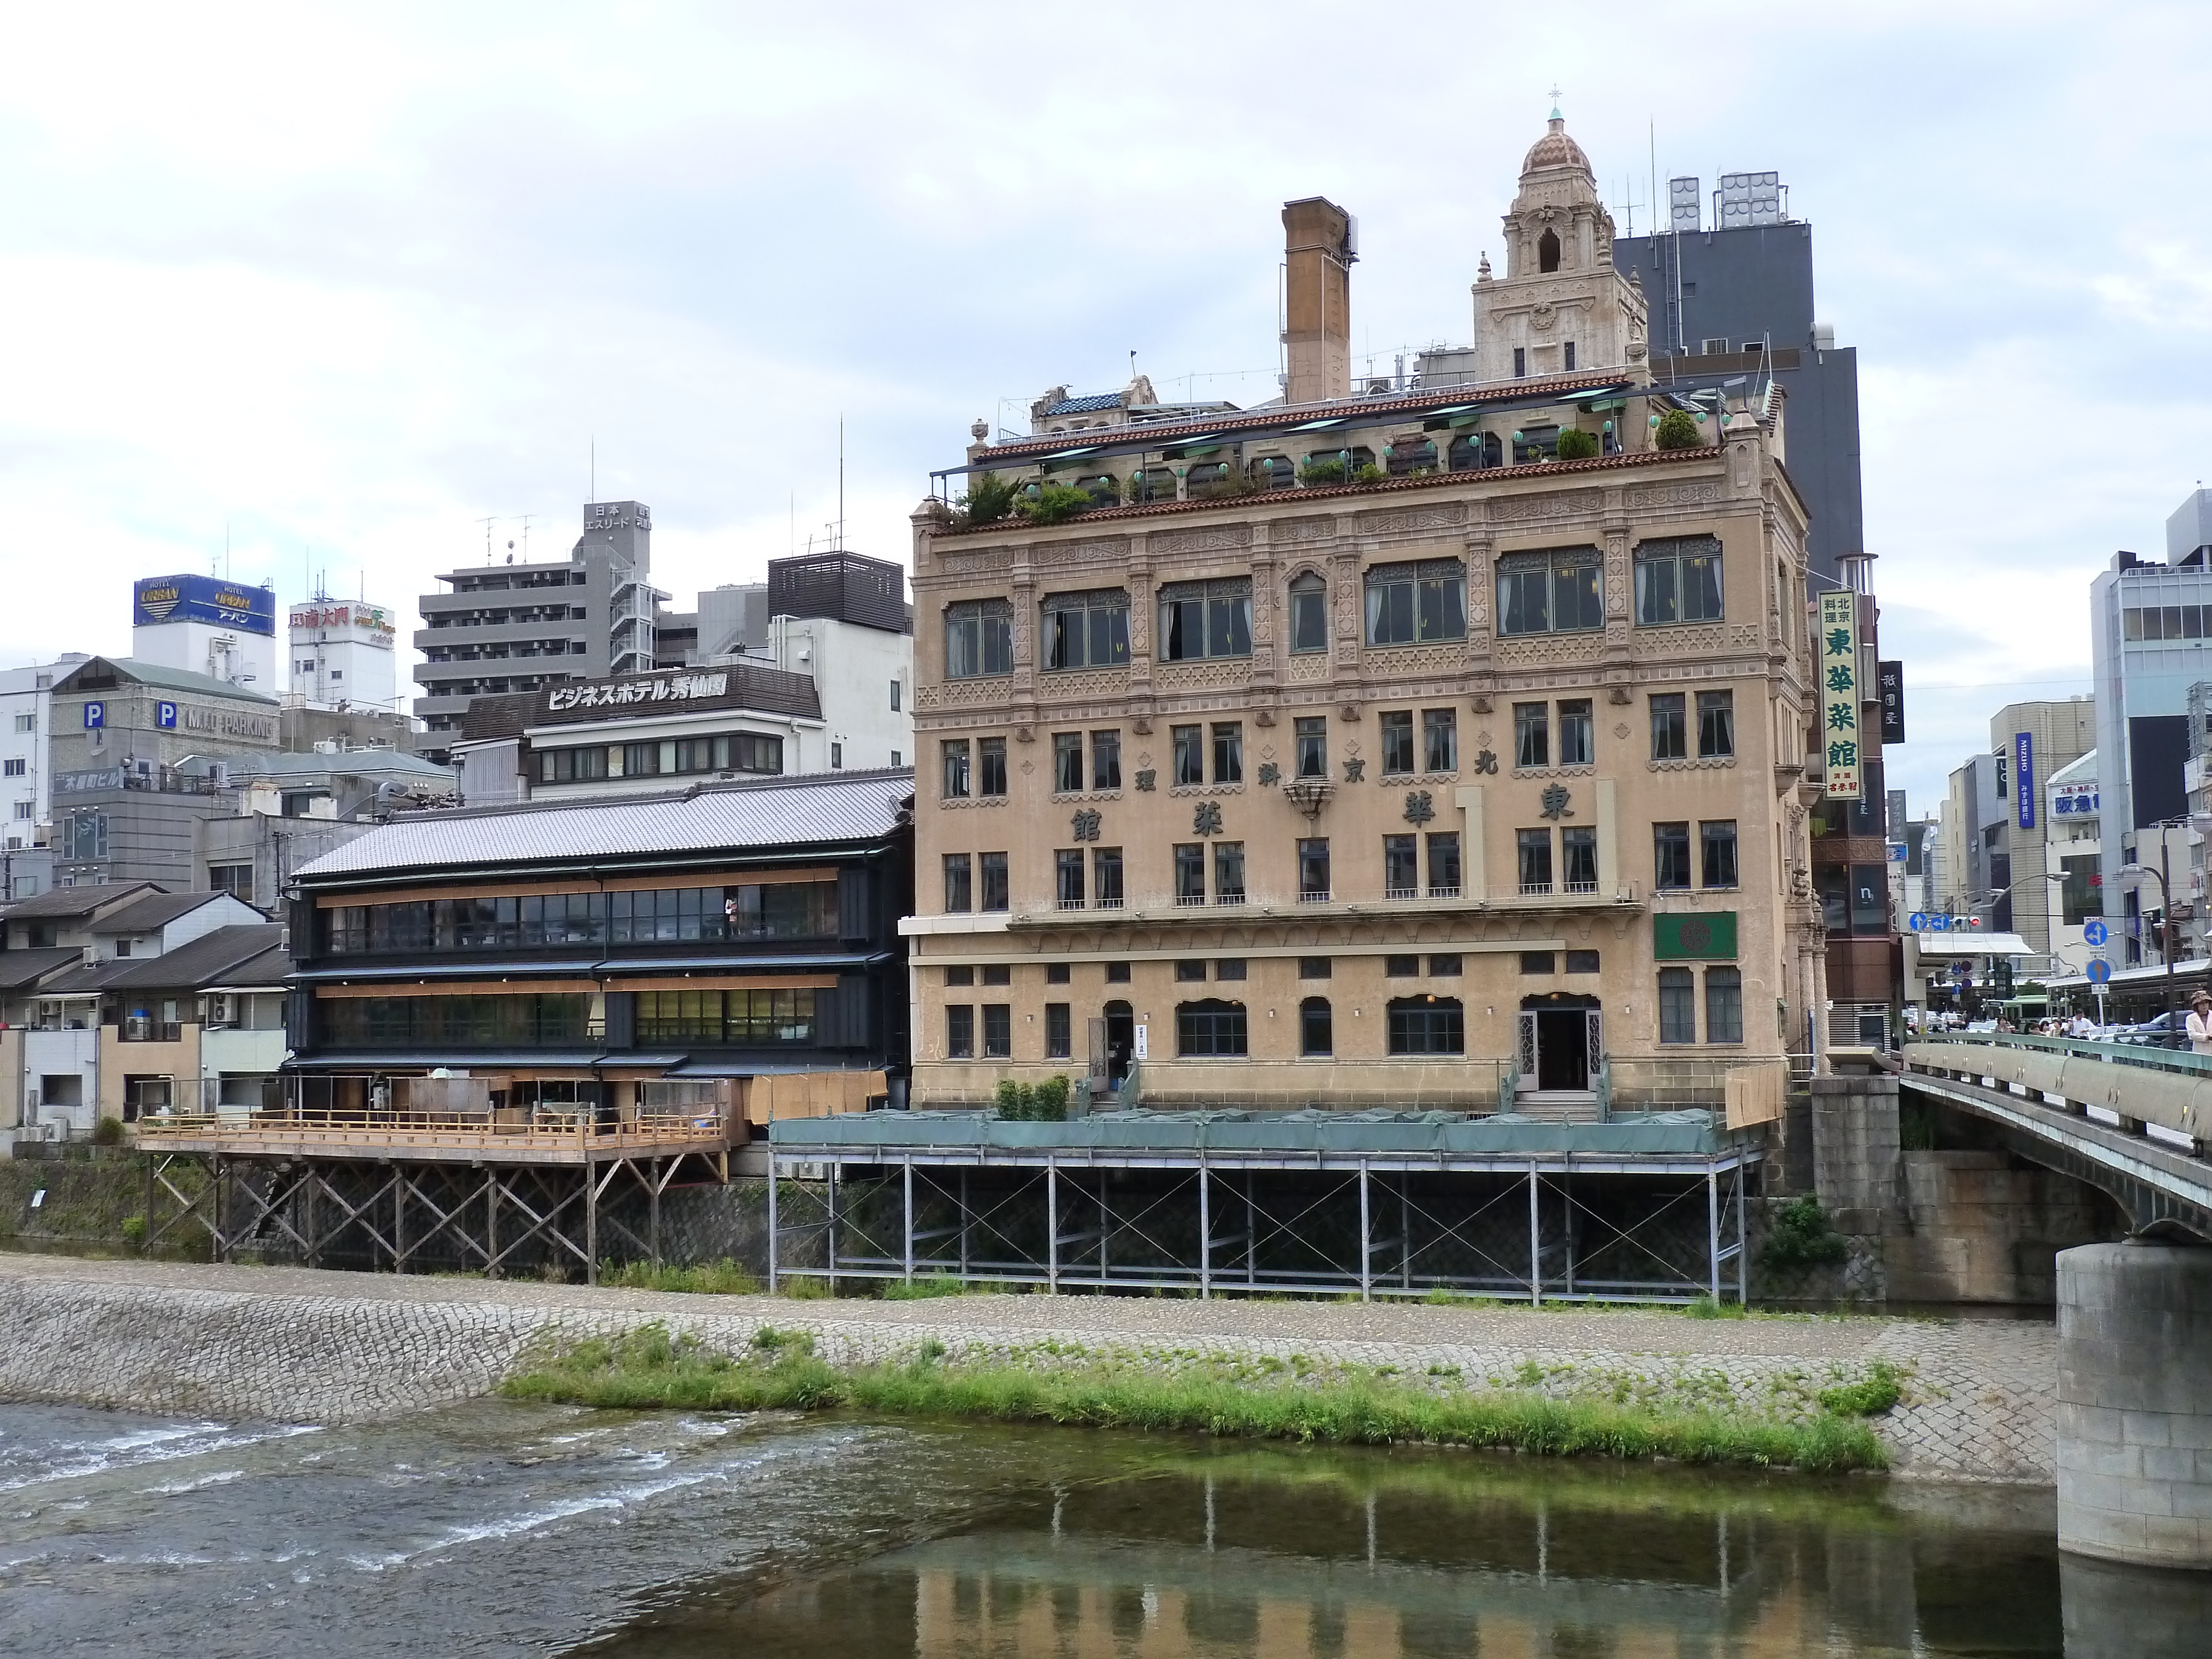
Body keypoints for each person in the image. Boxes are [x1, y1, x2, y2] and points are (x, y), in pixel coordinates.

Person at [2187, 990, 2212, 1056]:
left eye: (2206, 1003)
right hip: (2200, 1051)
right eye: (2201, 1003)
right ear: (2196, 1005)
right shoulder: (2190, 1018)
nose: (2205, 1005)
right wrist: (2207, 1037)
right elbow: (2192, 1035)